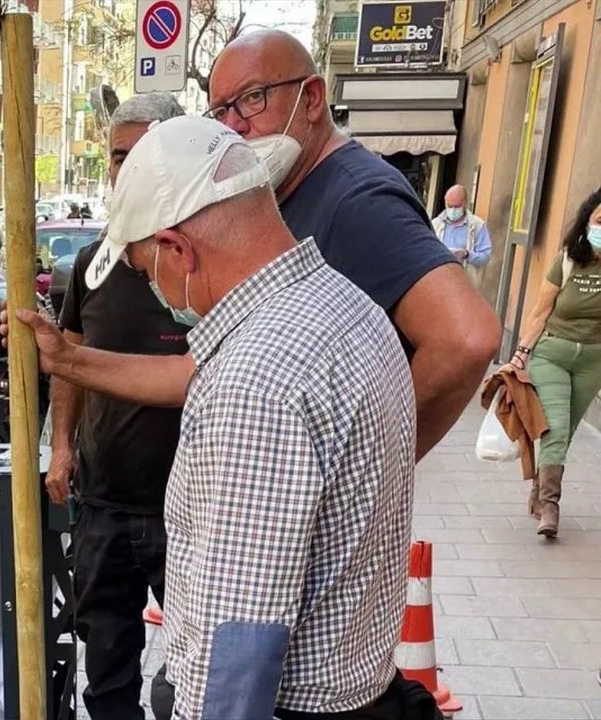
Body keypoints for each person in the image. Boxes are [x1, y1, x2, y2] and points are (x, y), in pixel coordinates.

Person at [11, 115, 429, 719]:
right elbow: (193, 374)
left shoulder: (254, 385)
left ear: (178, 250)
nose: (153, 288)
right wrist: (68, 360)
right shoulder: (348, 309)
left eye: (144, 270)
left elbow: (235, 655)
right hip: (363, 689)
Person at [206, 30, 500, 459]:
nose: (234, 125)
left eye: (253, 98)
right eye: (220, 111)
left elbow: (467, 337)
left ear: (311, 98)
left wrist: (372, 461)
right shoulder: (302, 187)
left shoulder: (358, 200)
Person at [52, 91, 189, 720]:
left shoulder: (195, 262)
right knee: (107, 671)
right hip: (103, 504)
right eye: (117, 156)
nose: (124, 169)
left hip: (188, 511)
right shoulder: (93, 265)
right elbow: (69, 360)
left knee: (193, 675)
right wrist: (61, 447)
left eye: (142, 154)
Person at [503, 187, 601, 538]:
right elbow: (540, 311)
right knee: (555, 427)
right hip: (551, 354)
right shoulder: (568, 260)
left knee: (566, 432)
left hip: (592, 360)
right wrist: (521, 353)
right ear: (588, 221)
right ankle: (550, 506)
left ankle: (537, 495)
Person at [431, 184, 492, 272]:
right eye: (449, 206)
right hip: (439, 275)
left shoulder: (478, 226)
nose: (453, 210)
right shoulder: (435, 224)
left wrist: (467, 254)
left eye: (457, 206)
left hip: (465, 277)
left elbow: (485, 257)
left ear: (465, 203)